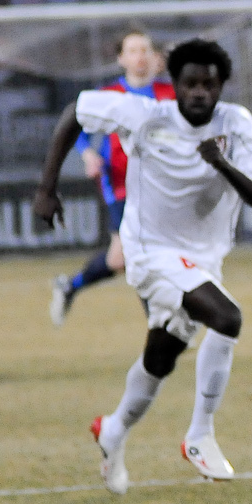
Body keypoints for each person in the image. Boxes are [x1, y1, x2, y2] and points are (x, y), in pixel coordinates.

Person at [33, 40, 252, 494]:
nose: (200, 92)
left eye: (209, 84)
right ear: (175, 85)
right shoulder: (145, 115)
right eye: (190, 83)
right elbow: (74, 113)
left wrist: (221, 163)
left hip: (203, 260)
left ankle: (113, 430)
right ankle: (200, 435)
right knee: (227, 318)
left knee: (161, 357)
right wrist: (47, 189)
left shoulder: (237, 124)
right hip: (148, 252)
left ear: (221, 86)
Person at [49, 30, 175, 327]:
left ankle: (70, 286)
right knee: (130, 256)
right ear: (121, 59)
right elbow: (76, 126)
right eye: (133, 50)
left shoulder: (170, 94)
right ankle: (162, 324)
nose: (140, 56)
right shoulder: (109, 95)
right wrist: (88, 154)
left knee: (124, 258)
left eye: (145, 49)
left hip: (160, 186)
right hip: (120, 184)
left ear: (155, 57)